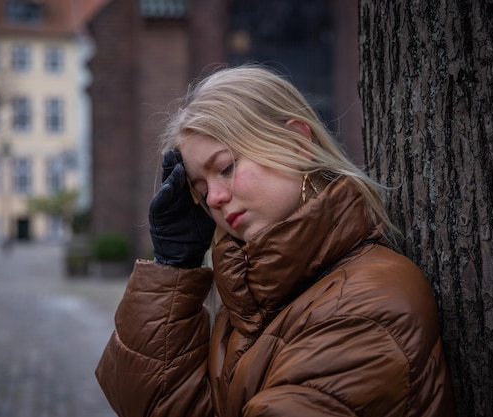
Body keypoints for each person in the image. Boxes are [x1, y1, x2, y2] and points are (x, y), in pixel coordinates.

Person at [95, 64, 455, 417]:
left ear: (297, 142)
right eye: (201, 190)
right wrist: (173, 266)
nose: (215, 199)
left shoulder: (366, 308)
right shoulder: (255, 301)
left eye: (226, 168)